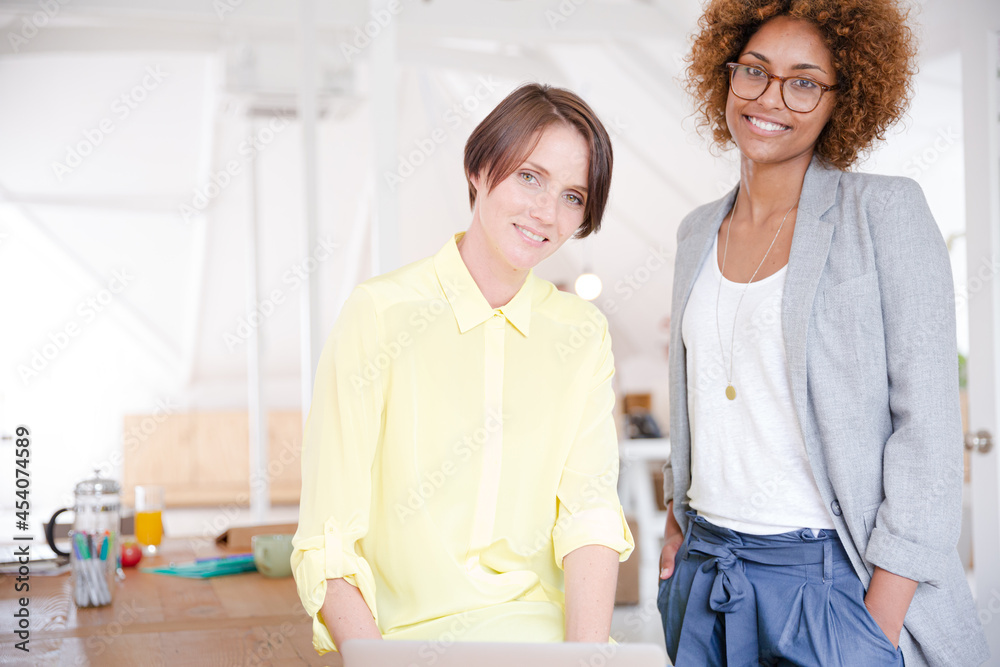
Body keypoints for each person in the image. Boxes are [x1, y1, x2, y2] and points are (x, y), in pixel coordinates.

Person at [658, 1, 990, 665]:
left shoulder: (886, 213)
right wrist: (675, 523)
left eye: (804, 81)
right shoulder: (696, 230)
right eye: (754, 70)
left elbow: (926, 431)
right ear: (725, 75)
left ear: (845, 98)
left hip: (833, 584)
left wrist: (877, 623)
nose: (770, 98)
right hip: (707, 570)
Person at [291, 83, 634, 654]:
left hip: (548, 644)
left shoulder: (582, 334)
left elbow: (590, 517)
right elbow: (328, 543)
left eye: (573, 197)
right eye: (530, 176)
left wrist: (587, 660)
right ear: (478, 168)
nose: (546, 212)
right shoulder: (380, 314)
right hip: (403, 645)